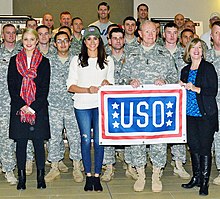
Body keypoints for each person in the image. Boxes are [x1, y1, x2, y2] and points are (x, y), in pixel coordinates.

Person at [122, 20, 178, 192]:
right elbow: (121, 78)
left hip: (158, 108)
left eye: (153, 31)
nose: (151, 35)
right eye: (147, 32)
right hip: (137, 107)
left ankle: (156, 174)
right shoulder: (131, 54)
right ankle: (140, 174)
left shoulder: (164, 53)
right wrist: (129, 81)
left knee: (159, 140)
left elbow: (174, 77)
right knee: (138, 140)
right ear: (139, 34)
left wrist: (166, 81)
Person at [67, 26, 114, 192]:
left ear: (99, 41)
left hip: (100, 105)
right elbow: (70, 86)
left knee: (100, 141)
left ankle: (97, 176)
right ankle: (88, 175)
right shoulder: (77, 60)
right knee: (86, 140)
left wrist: (108, 84)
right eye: (89, 39)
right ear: (84, 41)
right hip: (82, 105)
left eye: (95, 38)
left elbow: (112, 83)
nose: (92, 42)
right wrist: (88, 90)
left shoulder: (108, 60)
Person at [7, 28, 51, 190]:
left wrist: (33, 107)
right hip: (19, 109)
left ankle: (41, 176)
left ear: (37, 41)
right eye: (26, 39)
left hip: (38, 110)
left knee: (39, 144)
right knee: (21, 144)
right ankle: (22, 177)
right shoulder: (14, 61)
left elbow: (44, 88)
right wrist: (23, 106)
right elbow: (11, 86)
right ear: (22, 41)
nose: (29, 42)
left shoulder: (44, 62)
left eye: (32, 39)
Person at [180, 38, 218, 196]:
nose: (196, 50)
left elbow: (212, 91)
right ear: (188, 51)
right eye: (193, 47)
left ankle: (204, 182)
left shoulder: (208, 68)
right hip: (189, 115)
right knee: (193, 146)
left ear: (203, 51)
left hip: (205, 115)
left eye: (199, 47)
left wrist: (195, 88)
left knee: (204, 148)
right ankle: (195, 178)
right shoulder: (185, 70)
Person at [45, 31, 83, 183]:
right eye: (59, 41)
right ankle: (54, 167)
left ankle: (77, 166)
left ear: (70, 41)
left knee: (75, 137)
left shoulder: (78, 60)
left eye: (65, 41)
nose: (62, 44)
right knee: (54, 137)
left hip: (72, 104)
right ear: (54, 44)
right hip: (53, 105)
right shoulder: (47, 60)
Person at [0, 24, 21, 185]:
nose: (11, 35)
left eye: (13, 33)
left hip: (19, 102)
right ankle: (8, 168)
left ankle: (14, 166)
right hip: (2, 102)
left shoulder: (22, 53)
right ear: (2, 34)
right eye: (8, 33)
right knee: (5, 137)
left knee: (16, 136)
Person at [206, 21, 220, 186]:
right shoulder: (205, 56)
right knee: (208, 139)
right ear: (211, 36)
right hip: (208, 105)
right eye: (217, 32)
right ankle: (205, 170)